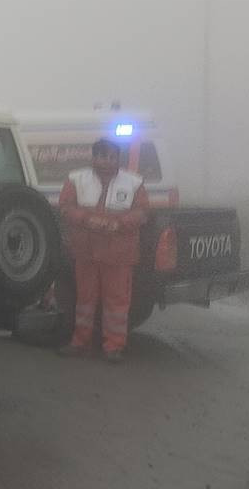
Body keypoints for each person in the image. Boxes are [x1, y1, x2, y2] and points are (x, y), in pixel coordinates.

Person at [58, 138, 150, 363]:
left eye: (111, 157)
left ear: (118, 158)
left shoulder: (134, 183)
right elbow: (65, 207)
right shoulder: (75, 179)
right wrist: (88, 220)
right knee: (84, 300)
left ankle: (114, 347)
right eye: (102, 156)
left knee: (117, 303)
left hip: (118, 254)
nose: (107, 161)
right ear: (94, 157)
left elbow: (142, 213)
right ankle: (80, 342)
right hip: (86, 252)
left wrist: (118, 224)